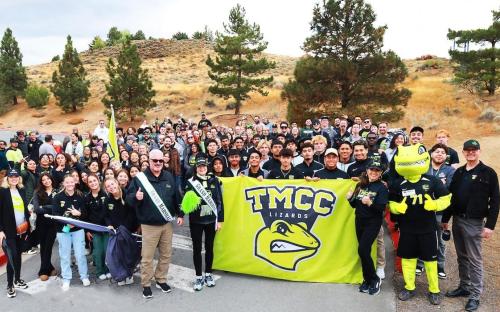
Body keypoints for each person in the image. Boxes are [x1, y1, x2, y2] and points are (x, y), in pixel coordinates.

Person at [442, 139, 499, 312]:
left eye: (474, 150)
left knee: (474, 259)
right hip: (457, 220)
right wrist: (446, 219)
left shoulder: (488, 173)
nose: (471, 153)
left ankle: (475, 295)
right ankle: (464, 286)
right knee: (462, 256)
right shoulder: (459, 172)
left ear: (479, 152)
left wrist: (489, 225)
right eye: (468, 150)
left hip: (474, 222)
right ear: (464, 152)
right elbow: (452, 198)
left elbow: (495, 201)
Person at [126, 149, 184, 299]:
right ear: (149, 161)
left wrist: (181, 214)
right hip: (149, 225)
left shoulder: (169, 176)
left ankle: (161, 279)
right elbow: (128, 199)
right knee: (147, 257)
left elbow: (176, 197)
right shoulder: (140, 178)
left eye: (160, 161)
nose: (158, 163)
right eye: (154, 161)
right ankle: (146, 284)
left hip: (166, 224)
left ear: (163, 162)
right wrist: (136, 197)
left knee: (166, 254)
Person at [182, 158, 223, 291]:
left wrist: (220, 220)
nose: (202, 168)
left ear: (207, 167)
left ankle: (208, 274)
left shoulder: (214, 180)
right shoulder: (191, 182)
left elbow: (219, 201)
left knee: (210, 248)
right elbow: (186, 202)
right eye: (199, 167)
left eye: (204, 166)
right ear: (196, 168)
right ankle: (199, 276)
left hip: (211, 221)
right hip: (196, 221)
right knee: (197, 249)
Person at [348, 161, 388, 295]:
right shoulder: (360, 185)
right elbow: (355, 205)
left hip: (373, 223)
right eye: (372, 170)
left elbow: (381, 209)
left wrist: (370, 203)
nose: (374, 172)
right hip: (359, 221)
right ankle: (367, 279)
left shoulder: (381, 188)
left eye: (377, 170)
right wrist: (349, 199)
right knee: (363, 252)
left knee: (363, 250)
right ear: (367, 170)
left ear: (381, 173)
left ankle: (374, 279)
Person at [416, 143, 455, 279]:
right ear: (431, 154)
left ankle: (440, 265)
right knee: (422, 236)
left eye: (443, 152)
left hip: (440, 211)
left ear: (446, 156)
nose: (439, 154)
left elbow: (449, 189)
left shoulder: (450, 170)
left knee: (440, 240)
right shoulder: (424, 168)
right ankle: (420, 263)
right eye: (437, 151)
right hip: (423, 209)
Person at [52, 174, 90, 290]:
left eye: (71, 182)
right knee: (65, 256)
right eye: (67, 182)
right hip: (63, 230)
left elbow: (85, 214)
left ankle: (84, 276)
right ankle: (66, 278)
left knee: (80, 255)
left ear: (75, 183)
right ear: (63, 183)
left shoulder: (80, 196)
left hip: (78, 229)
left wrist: (78, 215)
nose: (69, 184)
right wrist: (67, 223)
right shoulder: (57, 197)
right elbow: (55, 215)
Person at [0, 169, 30, 298]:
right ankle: (10, 285)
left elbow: (24, 210)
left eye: (16, 176)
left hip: (21, 230)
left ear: (19, 178)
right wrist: (0, 230)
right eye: (11, 176)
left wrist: (28, 225)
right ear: (7, 178)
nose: (14, 178)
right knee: (12, 258)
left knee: (18, 256)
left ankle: (17, 280)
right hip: (8, 232)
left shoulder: (21, 190)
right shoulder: (2, 192)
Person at [104, 177, 138, 285]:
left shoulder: (127, 196)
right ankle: (121, 276)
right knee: (116, 254)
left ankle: (129, 275)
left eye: (112, 184)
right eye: (108, 186)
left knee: (128, 254)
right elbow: (106, 216)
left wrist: (124, 228)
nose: (111, 187)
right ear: (106, 189)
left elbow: (133, 214)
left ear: (117, 183)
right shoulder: (108, 200)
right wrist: (109, 224)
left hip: (128, 231)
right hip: (115, 232)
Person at [84, 174, 111, 281]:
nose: (93, 183)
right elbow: (85, 215)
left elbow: (110, 212)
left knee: (107, 250)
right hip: (94, 229)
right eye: (90, 182)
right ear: (88, 184)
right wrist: (87, 231)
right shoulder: (87, 198)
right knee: (98, 251)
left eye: (94, 180)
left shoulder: (107, 194)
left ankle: (108, 269)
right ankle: (100, 270)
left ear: (98, 181)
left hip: (106, 228)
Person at [31, 172, 58, 281]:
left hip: (53, 224)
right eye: (43, 180)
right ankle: (46, 269)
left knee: (49, 246)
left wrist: (45, 207)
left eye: (48, 179)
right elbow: (37, 209)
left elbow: (58, 209)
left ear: (51, 179)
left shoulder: (57, 191)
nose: (46, 181)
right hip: (41, 224)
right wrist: (51, 208)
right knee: (44, 246)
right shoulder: (38, 192)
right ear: (41, 182)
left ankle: (45, 269)